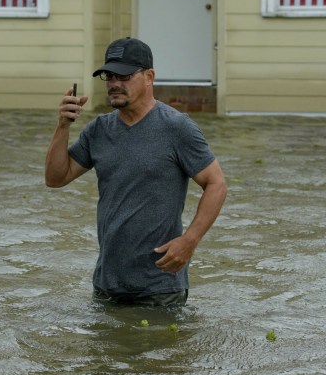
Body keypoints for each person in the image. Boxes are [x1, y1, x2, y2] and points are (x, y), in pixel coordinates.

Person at [45, 37, 227, 306]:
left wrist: (190, 240)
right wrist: (62, 126)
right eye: (109, 76)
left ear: (149, 77)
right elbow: (56, 178)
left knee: (160, 349)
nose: (114, 83)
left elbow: (217, 184)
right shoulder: (98, 131)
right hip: (107, 284)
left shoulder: (177, 128)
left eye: (124, 75)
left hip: (160, 288)